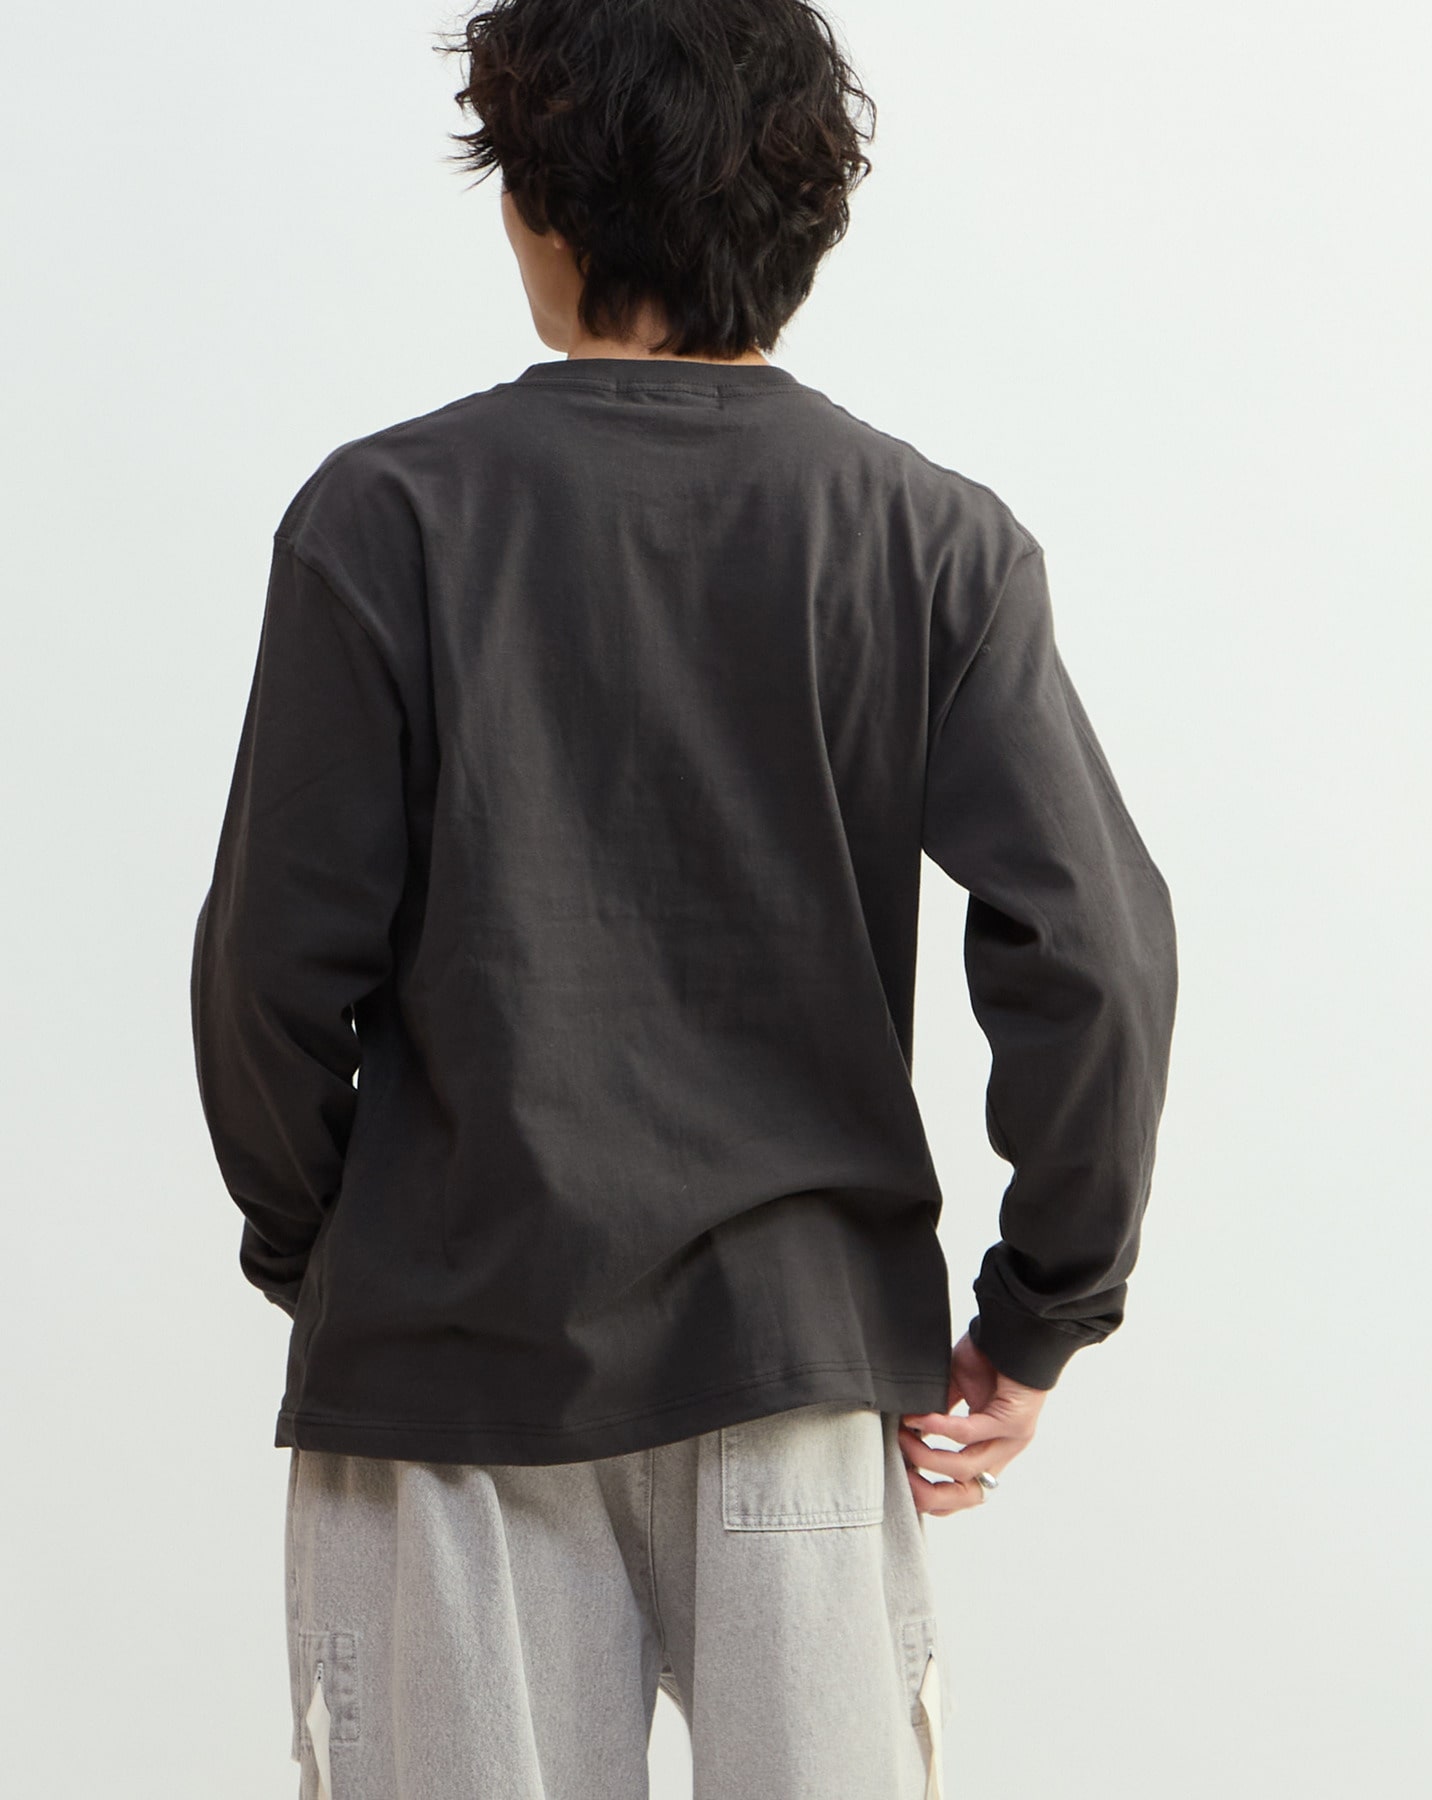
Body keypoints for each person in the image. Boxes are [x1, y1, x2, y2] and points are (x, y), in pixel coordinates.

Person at [188, 2, 1179, 1796]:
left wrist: (324, 1253)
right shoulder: (932, 540)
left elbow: (269, 968)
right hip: (800, 1368)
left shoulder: (383, 520)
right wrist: (1041, 1314)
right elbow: (1095, 954)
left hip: (449, 1373)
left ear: (537, 210)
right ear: (809, 218)